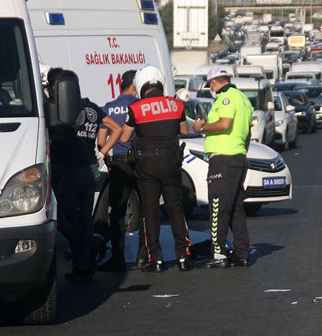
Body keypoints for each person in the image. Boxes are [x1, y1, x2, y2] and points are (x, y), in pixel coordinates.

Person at [46, 68, 119, 282]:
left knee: (57, 215)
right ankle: (83, 266)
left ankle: (84, 244)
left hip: (70, 170)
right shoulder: (92, 108)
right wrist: (102, 152)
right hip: (90, 169)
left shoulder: (61, 108)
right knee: (85, 218)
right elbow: (117, 129)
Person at [120, 64, 192, 272]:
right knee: (176, 209)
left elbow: (125, 137)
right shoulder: (176, 105)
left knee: (150, 211)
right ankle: (183, 256)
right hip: (172, 164)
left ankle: (156, 259)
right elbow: (184, 131)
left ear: (141, 85)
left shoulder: (136, 108)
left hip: (146, 166)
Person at [192, 65, 254, 268]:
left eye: (211, 84)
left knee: (218, 206)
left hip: (223, 159)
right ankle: (241, 253)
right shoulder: (243, 99)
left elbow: (225, 124)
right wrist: (241, 152)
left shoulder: (226, 97)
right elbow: (247, 133)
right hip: (238, 156)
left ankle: (219, 255)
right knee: (236, 208)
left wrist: (203, 126)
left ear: (214, 83)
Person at [96, 69, 142, 271]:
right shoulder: (139, 106)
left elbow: (100, 141)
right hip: (139, 163)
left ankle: (118, 258)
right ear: (135, 86)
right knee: (148, 209)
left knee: (117, 213)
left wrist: (107, 156)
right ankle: (146, 256)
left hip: (117, 164)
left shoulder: (108, 107)